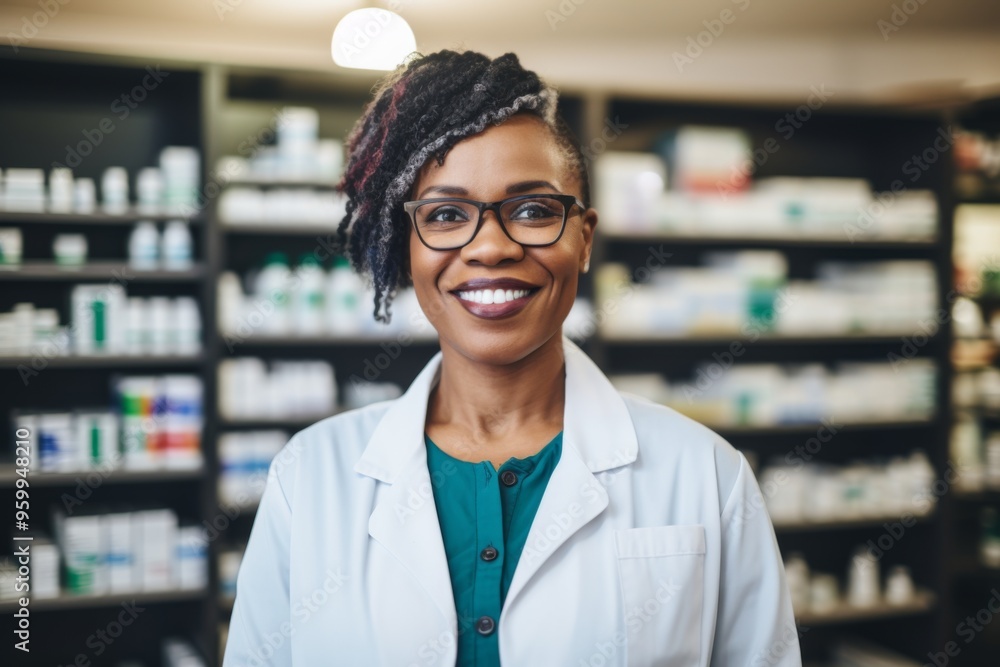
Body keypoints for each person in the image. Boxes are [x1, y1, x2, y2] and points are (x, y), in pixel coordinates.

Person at [223, 50, 800, 667]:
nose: (491, 247)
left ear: (584, 239)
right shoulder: (310, 478)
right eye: (446, 214)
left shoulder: (707, 476)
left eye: (532, 210)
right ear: (405, 248)